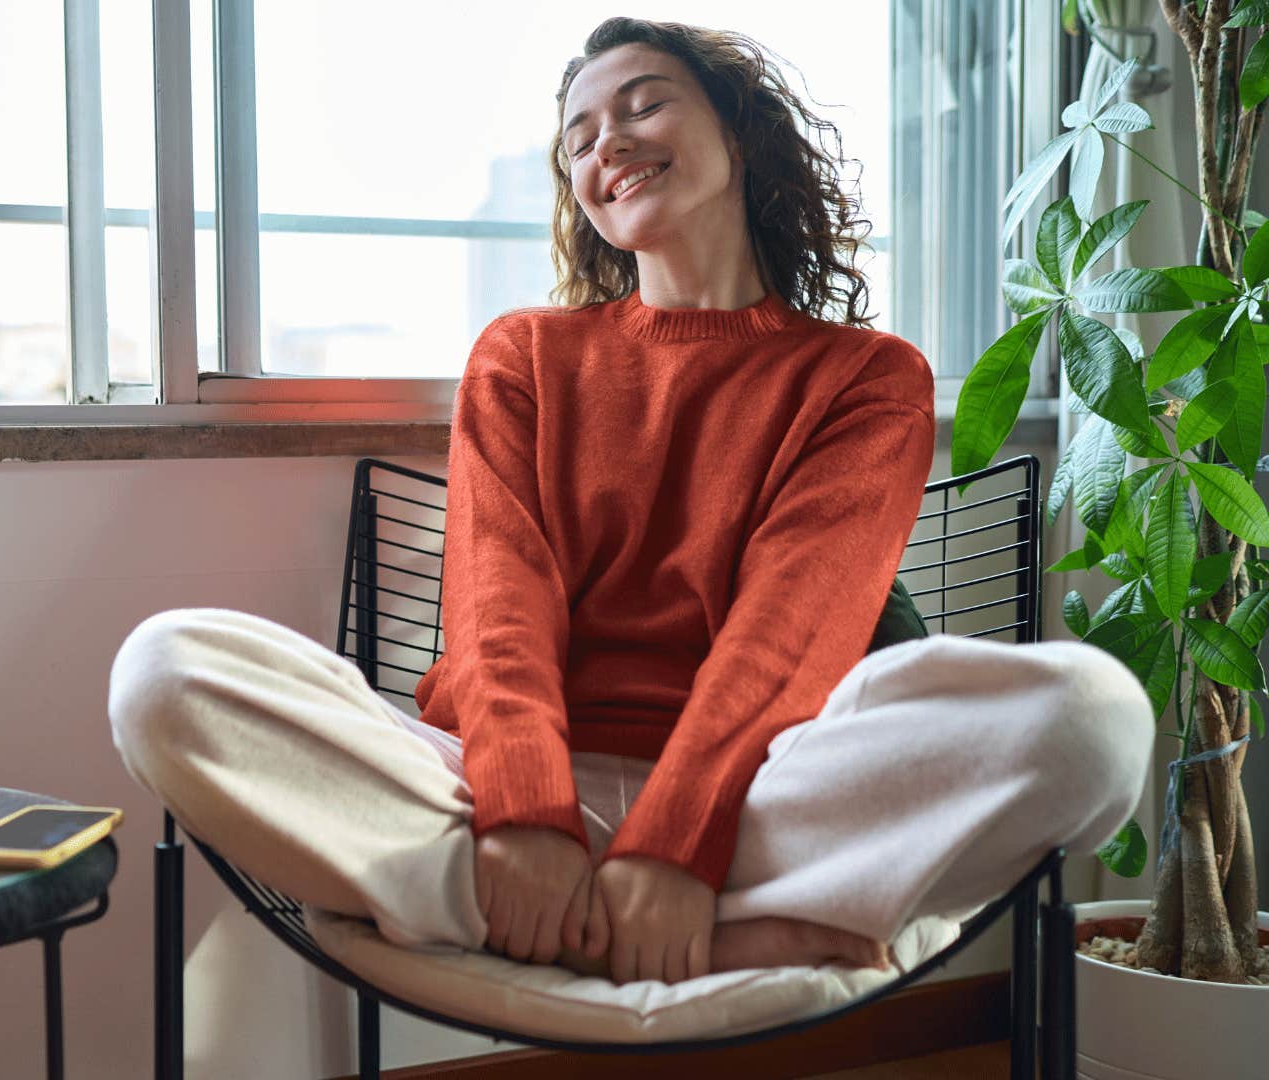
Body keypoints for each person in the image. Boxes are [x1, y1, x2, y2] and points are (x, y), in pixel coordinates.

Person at [108, 16, 1152, 992]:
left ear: (739, 137)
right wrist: (527, 816)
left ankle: (508, 916)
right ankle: (729, 931)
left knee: (1095, 718)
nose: (608, 140)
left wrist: (675, 842)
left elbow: (794, 631)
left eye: (645, 103)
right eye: (579, 138)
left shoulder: (866, 377)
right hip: (486, 799)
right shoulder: (525, 353)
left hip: (758, 798)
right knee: (165, 667)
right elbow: (496, 604)